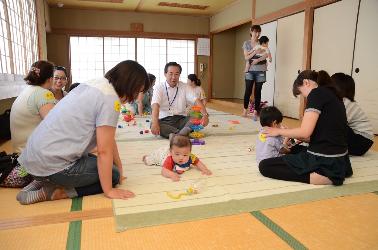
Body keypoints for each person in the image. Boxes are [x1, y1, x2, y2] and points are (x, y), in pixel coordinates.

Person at [16, 60, 151, 205]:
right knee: (112, 175)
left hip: (34, 157)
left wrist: (119, 165)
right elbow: (104, 151)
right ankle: (53, 192)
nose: (137, 96)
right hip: (52, 163)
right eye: (138, 90)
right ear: (129, 84)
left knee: (107, 167)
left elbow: (108, 139)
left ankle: (41, 180)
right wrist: (110, 189)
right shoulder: (110, 100)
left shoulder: (96, 83)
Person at [259, 70, 352, 186]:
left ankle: (325, 176)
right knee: (293, 149)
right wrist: (289, 134)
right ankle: (335, 171)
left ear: (306, 82)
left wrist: (278, 131)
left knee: (265, 166)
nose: (304, 96)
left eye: (301, 93)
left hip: (325, 160)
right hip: (340, 159)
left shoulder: (316, 94)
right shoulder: (333, 94)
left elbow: (305, 132)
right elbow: (322, 134)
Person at [5, 61, 56, 188]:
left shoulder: (26, 91)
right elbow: (56, 126)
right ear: (50, 79)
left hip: (20, 156)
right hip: (32, 162)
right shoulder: (43, 94)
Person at [151, 62, 209, 139]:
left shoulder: (185, 86)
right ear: (165, 74)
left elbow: (196, 100)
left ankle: (176, 135)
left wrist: (205, 115)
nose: (173, 77)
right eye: (170, 74)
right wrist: (155, 122)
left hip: (181, 119)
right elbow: (155, 105)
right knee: (153, 123)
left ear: (179, 75)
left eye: (176, 74)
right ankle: (183, 134)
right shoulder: (159, 87)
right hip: (164, 120)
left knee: (197, 117)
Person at [331, 73, 374, 156]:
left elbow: (337, 123)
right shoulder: (340, 101)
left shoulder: (345, 102)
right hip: (358, 140)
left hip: (362, 142)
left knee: (334, 123)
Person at [142, 134, 212, 181]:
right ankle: (146, 158)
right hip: (162, 155)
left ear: (190, 152)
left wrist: (204, 169)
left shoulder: (191, 157)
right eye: (177, 154)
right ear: (171, 152)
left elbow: (198, 162)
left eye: (185, 155)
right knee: (151, 160)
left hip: (172, 150)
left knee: (177, 151)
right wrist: (172, 174)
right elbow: (164, 171)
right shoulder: (170, 159)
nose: (181, 158)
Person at [242, 25, 269, 120]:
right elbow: (246, 57)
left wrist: (257, 60)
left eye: (259, 32)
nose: (257, 34)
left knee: (258, 91)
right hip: (249, 70)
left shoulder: (262, 42)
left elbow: (266, 54)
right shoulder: (246, 43)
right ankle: (245, 109)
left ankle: (255, 111)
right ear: (251, 31)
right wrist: (255, 52)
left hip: (260, 70)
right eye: (255, 32)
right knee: (248, 90)